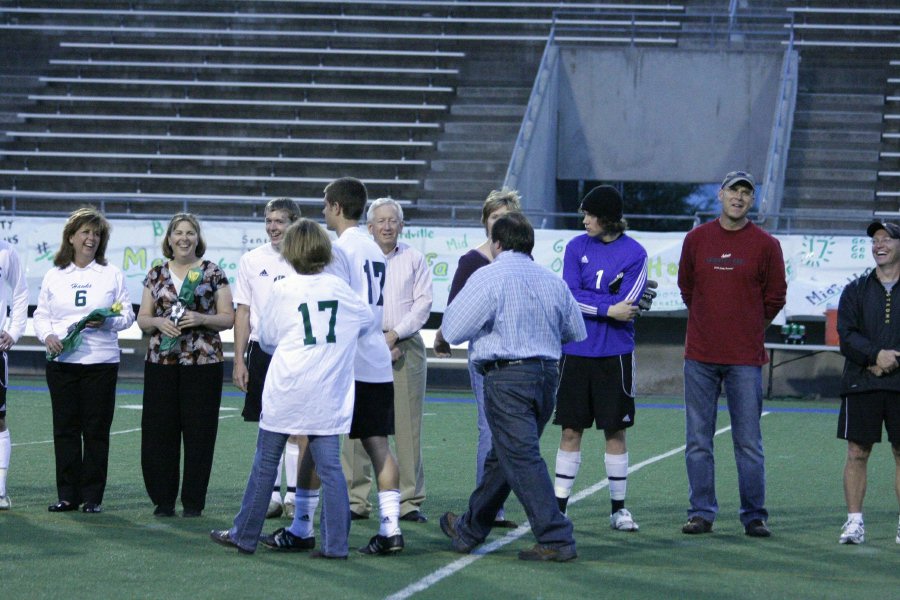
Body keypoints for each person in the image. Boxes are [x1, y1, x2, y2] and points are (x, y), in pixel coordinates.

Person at [210, 219, 373, 558]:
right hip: (328, 392)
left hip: (287, 388)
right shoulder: (341, 289)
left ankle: (245, 535)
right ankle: (336, 545)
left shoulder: (284, 289)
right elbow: (366, 322)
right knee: (330, 469)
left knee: (265, 462)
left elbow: (266, 339)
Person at [439, 212, 587, 562]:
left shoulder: (489, 276)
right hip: (546, 375)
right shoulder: (552, 280)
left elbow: (455, 328)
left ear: (497, 243)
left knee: (520, 458)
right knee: (502, 458)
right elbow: (575, 331)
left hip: (507, 377)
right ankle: (469, 528)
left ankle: (556, 537)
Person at [275, 177, 404, 555]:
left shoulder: (340, 249)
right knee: (379, 445)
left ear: (335, 207)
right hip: (376, 359)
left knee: (314, 443)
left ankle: (302, 527)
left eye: (324, 203)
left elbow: (336, 306)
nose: (322, 210)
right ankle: (391, 528)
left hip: (344, 363)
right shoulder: (376, 249)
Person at [677, 171, 786, 537]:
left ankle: (754, 515)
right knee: (697, 440)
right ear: (720, 195)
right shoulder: (696, 240)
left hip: (745, 359)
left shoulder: (767, 245)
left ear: (751, 201)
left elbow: (775, 297)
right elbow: (687, 289)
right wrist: (713, 325)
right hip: (700, 356)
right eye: (733, 191)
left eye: (746, 193)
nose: (738, 198)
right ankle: (701, 513)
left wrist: (748, 328)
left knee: (749, 442)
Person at [552, 185, 648, 531]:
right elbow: (569, 296)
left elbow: (631, 305)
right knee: (570, 430)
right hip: (575, 351)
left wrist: (600, 303)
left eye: (590, 215)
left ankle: (618, 509)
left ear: (607, 218)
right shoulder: (576, 247)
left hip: (615, 355)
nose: (585, 220)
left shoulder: (635, 253)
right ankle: (558, 507)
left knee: (615, 431)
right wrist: (607, 306)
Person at [33, 207, 135, 513]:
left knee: (96, 431)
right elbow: (41, 316)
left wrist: (107, 322)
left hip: (101, 363)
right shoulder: (55, 274)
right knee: (64, 429)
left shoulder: (111, 274)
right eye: (85, 232)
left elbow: (127, 315)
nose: (91, 238)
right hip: (62, 362)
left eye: (96, 233)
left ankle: (92, 497)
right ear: (71, 237)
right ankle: (67, 495)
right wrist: (47, 336)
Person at [433, 188, 521, 528]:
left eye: (505, 217)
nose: (499, 223)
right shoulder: (472, 261)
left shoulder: (520, 262)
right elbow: (457, 308)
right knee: (490, 429)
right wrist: (445, 336)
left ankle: (496, 503)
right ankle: (489, 507)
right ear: (485, 221)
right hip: (485, 356)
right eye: (494, 217)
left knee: (512, 433)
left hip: (516, 356)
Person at [137, 213, 234, 518]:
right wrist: (156, 322)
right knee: (158, 433)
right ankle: (163, 500)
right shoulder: (155, 275)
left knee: (200, 434)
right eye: (178, 232)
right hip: (161, 363)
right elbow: (142, 319)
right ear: (169, 239)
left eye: (190, 233)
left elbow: (228, 317)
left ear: (197, 238)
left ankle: (193, 502)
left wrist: (203, 318)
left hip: (203, 364)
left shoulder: (213, 273)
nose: (184, 238)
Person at [343, 198, 433, 523]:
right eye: (380, 221)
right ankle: (356, 499)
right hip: (364, 343)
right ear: (369, 227)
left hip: (404, 345)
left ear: (402, 225)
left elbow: (423, 304)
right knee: (358, 424)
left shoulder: (414, 258)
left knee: (407, 427)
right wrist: (376, 340)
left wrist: (393, 335)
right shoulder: (356, 257)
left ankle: (409, 502)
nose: (386, 226)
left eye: (392, 220)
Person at [232, 197, 303, 519]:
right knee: (267, 423)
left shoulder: (306, 258)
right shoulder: (251, 259)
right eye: (269, 221)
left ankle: (294, 496)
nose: (273, 227)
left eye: (280, 221)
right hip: (262, 349)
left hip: (299, 349)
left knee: (297, 426)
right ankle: (273, 496)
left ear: (295, 223)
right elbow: (243, 311)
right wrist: (239, 360)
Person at [834, 221, 900, 545]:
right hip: (862, 382)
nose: (879, 244)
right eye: (875, 240)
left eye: (887, 238)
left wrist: (891, 360)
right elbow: (845, 336)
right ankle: (854, 522)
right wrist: (875, 356)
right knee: (857, 452)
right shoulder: (855, 289)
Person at [0, 238, 26, 511]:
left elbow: (20, 293)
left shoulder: (6, 251)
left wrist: (14, 330)